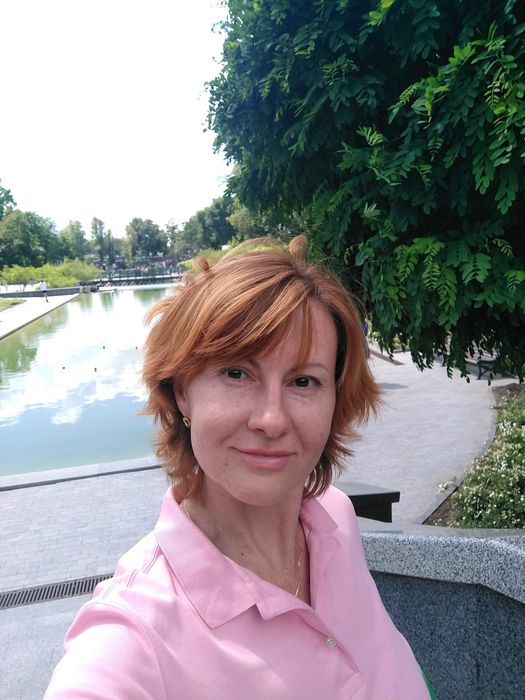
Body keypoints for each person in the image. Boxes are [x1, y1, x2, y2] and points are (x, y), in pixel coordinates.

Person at [44, 236, 435, 699]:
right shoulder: (134, 636)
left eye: (304, 381)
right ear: (182, 391)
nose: (271, 419)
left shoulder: (334, 519)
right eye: (236, 373)